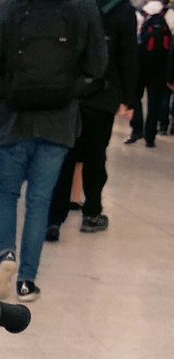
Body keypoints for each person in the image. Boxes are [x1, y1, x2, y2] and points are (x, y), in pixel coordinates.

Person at [0, 0, 106, 302]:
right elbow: (97, 65)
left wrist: (11, 90)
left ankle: (6, 254)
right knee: (39, 201)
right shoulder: (83, 5)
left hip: (13, 118)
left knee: (6, 193)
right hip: (59, 121)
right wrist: (68, 90)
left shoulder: (9, 5)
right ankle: (26, 281)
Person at [48, 0, 136, 238]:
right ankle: (92, 214)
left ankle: (53, 219)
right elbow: (128, 57)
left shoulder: (70, 4)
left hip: (69, 92)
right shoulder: (123, 10)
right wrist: (129, 98)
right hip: (103, 94)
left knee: (64, 154)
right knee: (96, 156)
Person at [127, 0, 170, 144]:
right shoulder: (169, 14)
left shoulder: (139, 13)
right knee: (155, 100)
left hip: (139, 62)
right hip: (161, 65)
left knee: (135, 96)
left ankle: (136, 129)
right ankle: (150, 136)